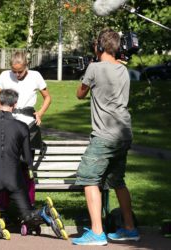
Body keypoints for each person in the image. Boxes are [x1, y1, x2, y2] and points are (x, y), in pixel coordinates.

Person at [0, 89, 68, 240]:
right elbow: (28, 160)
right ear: (15, 104)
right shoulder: (22, 126)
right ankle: (43, 213)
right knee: (27, 215)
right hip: (14, 178)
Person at [71, 28, 140, 246]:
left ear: (99, 47)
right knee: (117, 181)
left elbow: (80, 94)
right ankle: (130, 228)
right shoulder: (123, 69)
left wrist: (89, 68)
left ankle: (97, 232)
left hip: (104, 135)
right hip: (124, 133)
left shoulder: (94, 68)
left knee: (88, 178)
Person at [0, 51, 51, 207]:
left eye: (20, 71)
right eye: (14, 71)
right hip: (8, 124)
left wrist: (40, 113)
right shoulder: (4, 76)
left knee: (25, 166)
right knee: (6, 164)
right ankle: (5, 205)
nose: (17, 74)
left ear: (26, 66)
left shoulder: (36, 76)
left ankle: (27, 204)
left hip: (28, 126)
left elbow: (47, 98)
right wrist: (4, 109)